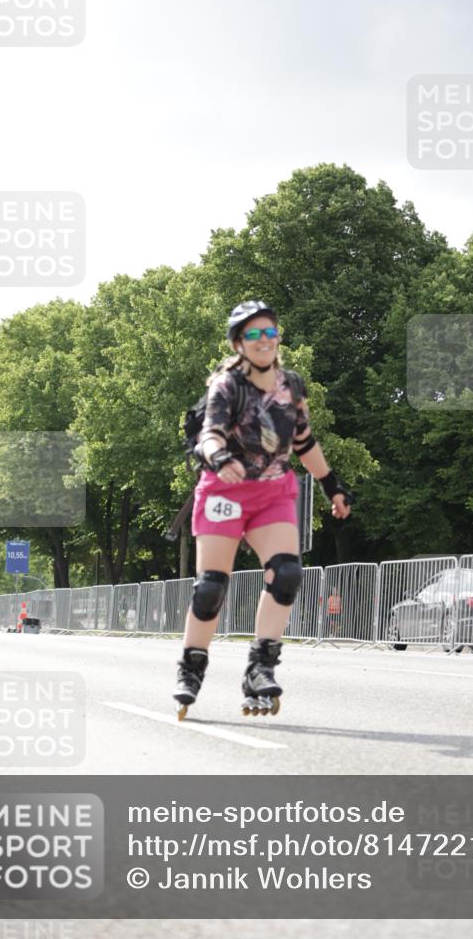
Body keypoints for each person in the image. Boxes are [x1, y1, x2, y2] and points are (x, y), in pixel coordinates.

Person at [173, 299, 354, 718]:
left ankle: (260, 667)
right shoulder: (227, 385)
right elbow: (211, 434)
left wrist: (332, 485)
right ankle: (191, 667)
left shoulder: (291, 385)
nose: (263, 340)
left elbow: (304, 441)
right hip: (224, 490)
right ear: (238, 343)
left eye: (269, 331)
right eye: (252, 334)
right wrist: (219, 458)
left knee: (287, 572)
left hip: (272, 491)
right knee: (211, 587)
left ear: (278, 337)